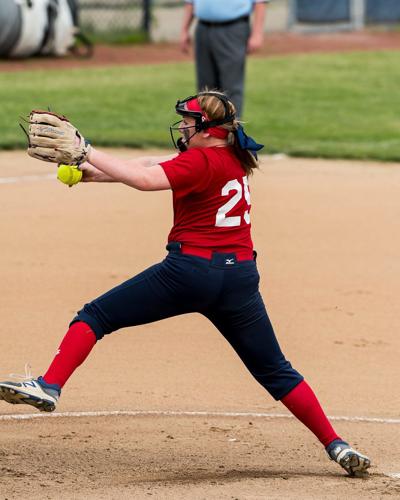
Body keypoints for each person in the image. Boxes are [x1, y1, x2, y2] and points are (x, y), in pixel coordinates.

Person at [0, 91, 370, 477]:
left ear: (208, 130)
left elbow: (145, 179)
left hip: (190, 274)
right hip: (239, 280)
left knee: (95, 316)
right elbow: (148, 165)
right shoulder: (233, 157)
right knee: (276, 371)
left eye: (189, 121)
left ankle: (49, 385)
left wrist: (85, 150)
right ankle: (337, 445)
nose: (182, 126)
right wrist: (91, 172)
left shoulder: (199, 160)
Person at [180, 0, 268, 118]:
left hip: (233, 28)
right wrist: (184, 29)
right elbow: (190, 2)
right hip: (203, 28)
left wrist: (257, 33)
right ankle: (207, 133)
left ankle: (231, 133)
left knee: (231, 87)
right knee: (205, 90)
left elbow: (260, 2)